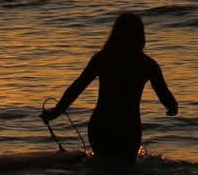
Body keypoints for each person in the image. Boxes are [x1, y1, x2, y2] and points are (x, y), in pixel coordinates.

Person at [42, 12, 178, 164]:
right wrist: (171, 107)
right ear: (140, 36)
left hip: (102, 124)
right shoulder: (147, 64)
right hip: (128, 127)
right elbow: (165, 95)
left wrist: (57, 111)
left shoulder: (102, 58)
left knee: (102, 172)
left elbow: (78, 86)